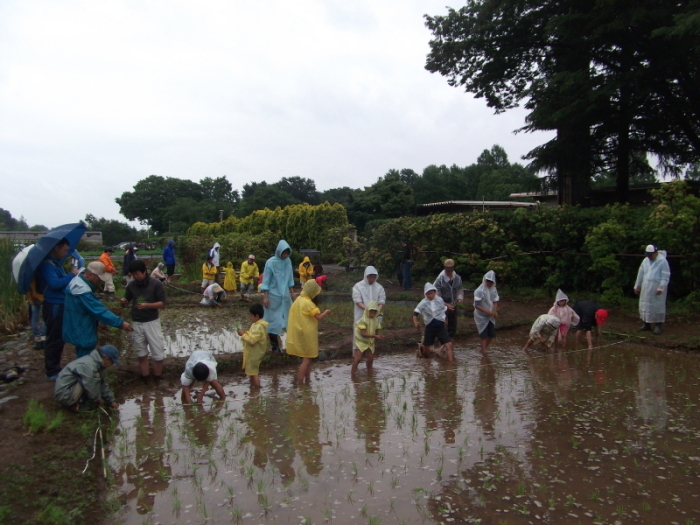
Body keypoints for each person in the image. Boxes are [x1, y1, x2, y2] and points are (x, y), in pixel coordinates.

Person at [63, 261, 133, 359]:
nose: (99, 281)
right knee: (85, 359)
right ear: (91, 275)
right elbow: (100, 311)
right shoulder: (83, 292)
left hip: (75, 325)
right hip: (83, 329)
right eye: (98, 278)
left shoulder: (76, 282)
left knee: (81, 355)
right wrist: (120, 323)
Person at [36, 238, 79, 380]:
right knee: (54, 338)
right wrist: (71, 274)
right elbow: (55, 284)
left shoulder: (56, 264)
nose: (66, 252)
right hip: (53, 305)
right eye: (64, 250)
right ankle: (51, 371)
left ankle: (55, 367)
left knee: (59, 338)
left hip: (60, 303)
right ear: (56, 248)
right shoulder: (46, 265)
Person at [120, 260, 166, 382]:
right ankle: (145, 379)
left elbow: (162, 303)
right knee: (141, 354)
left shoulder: (156, 284)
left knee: (158, 354)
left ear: (144, 271)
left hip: (152, 322)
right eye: (133, 274)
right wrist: (123, 302)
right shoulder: (131, 286)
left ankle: (157, 378)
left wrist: (147, 305)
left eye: (138, 274)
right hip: (137, 322)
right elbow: (126, 301)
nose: (136, 276)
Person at [286, 279, 331, 383]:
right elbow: (318, 317)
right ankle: (300, 382)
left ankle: (308, 380)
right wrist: (326, 312)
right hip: (307, 333)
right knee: (306, 359)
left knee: (308, 357)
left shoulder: (299, 299)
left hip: (300, 331)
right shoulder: (308, 303)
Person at [54, 345, 122, 411]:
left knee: (95, 379)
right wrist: (98, 399)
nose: (112, 364)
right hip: (64, 394)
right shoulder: (89, 366)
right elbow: (91, 386)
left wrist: (111, 401)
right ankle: (75, 405)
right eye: (112, 362)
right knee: (92, 381)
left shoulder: (96, 363)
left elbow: (102, 383)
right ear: (106, 358)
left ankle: (81, 401)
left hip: (71, 388)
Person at [261, 240, 296, 354]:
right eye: (283, 253)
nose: (285, 255)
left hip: (285, 295)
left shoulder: (288, 261)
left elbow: (290, 278)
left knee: (288, 319)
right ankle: (275, 346)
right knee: (273, 320)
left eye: (287, 253)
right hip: (273, 295)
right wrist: (265, 297)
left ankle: (290, 345)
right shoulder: (270, 262)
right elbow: (266, 281)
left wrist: (292, 293)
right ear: (279, 251)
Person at [634, 244, 671, 335]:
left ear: (656, 253)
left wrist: (661, 287)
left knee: (657, 306)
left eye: (651, 255)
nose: (649, 257)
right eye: (648, 255)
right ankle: (646, 324)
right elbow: (641, 273)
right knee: (645, 304)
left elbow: (665, 275)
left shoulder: (662, 261)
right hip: (646, 286)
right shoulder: (645, 260)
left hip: (656, 287)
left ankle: (658, 325)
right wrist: (637, 286)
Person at [413, 282, 454, 361]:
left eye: (431, 293)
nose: (430, 296)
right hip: (430, 327)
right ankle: (427, 363)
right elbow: (415, 313)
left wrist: (446, 320)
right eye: (428, 294)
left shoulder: (439, 300)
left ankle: (450, 364)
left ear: (435, 293)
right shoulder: (423, 303)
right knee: (426, 347)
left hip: (440, 327)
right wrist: (415, 322)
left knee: (449, 345)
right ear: (425, 294)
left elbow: (444, 310)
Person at [351, 266, 386, 356]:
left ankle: (369, 354)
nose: (372, 279)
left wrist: (376, 311)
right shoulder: (358, 286)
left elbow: (381, 301)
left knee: (372, 333)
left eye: (374, 277)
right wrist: (368, 310)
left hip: (374, 316)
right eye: (370, 277)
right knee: (359, 333)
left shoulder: (379, 287)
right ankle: (356, 355)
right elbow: (357, 300)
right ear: (366, 276)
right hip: (361, 315)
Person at [237, 303, 269, 388]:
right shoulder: (256, 324)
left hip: (255, 353)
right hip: (253, 352)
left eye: (251, 316)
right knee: (251, 370)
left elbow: (252, 340)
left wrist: (243, 335)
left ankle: (257, 388)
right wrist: (246, 333)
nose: (250, 318)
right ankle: (253, 386)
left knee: (254, 372)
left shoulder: (258, 326)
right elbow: (253, 336)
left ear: (257, 316)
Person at [433, 258, 464, 338]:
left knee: (452, 328)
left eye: (450, 269)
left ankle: (450, 346)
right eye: (447, 269)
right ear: (444, 268)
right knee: (443, 326)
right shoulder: (440, 279)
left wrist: (459, 298)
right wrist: (446, 305)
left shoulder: (457, 278)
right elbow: (436, 295)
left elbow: (459, 290)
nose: (449, 271)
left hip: (453, 305)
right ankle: (442, 345)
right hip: (441, 306)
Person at [352, 301, 383, 374]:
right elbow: (363, 334)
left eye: (374, 312)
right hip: (362, 341)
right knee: (358, 358)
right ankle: (353, 373)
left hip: (370, 342)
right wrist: (374, 336)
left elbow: (377, 331)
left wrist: (379, 336)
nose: (373, 313)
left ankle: (369, 373)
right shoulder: (363, 320)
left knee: (370, 359)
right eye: (371, 311)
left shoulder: (376, 320)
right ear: (367, 311)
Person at [473, 270, 499, 355]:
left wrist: (494, 311)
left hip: (490, 315)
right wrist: (488, 312)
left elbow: (495, 301)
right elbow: (477, 305)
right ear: (485, 280)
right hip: (481, 316)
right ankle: (484, 353)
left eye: (491, 282)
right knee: (483, 335)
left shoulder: (494, 289)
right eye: (488, 281)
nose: (489, 283)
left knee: (491, 335)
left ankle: (483, 350)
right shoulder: (479, 291)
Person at [27, 279, 46, 350]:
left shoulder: (28, 274)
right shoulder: (41, 270)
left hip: (32, 296)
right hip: (42, 295)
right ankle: (43, 337)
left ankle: (37, 339)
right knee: (44, 316)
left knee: (34, 317)